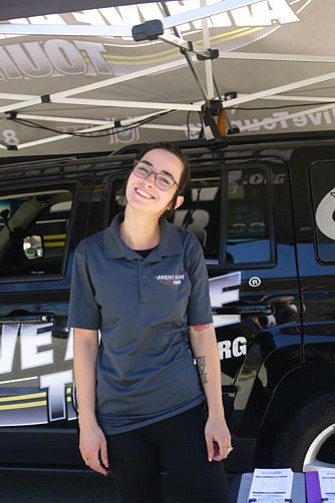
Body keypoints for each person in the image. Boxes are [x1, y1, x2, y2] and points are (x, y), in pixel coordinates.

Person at [69, 142, 231, 503]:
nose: (148, 182)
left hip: (183, 410)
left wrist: (216, 415)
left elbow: (202, 334)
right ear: (130, 175)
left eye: (164, 179)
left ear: (175, 202)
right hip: (120, 421)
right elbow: (84, 342)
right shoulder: (90, 254)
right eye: (143, 169)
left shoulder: (186, 248)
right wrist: (87, 424)